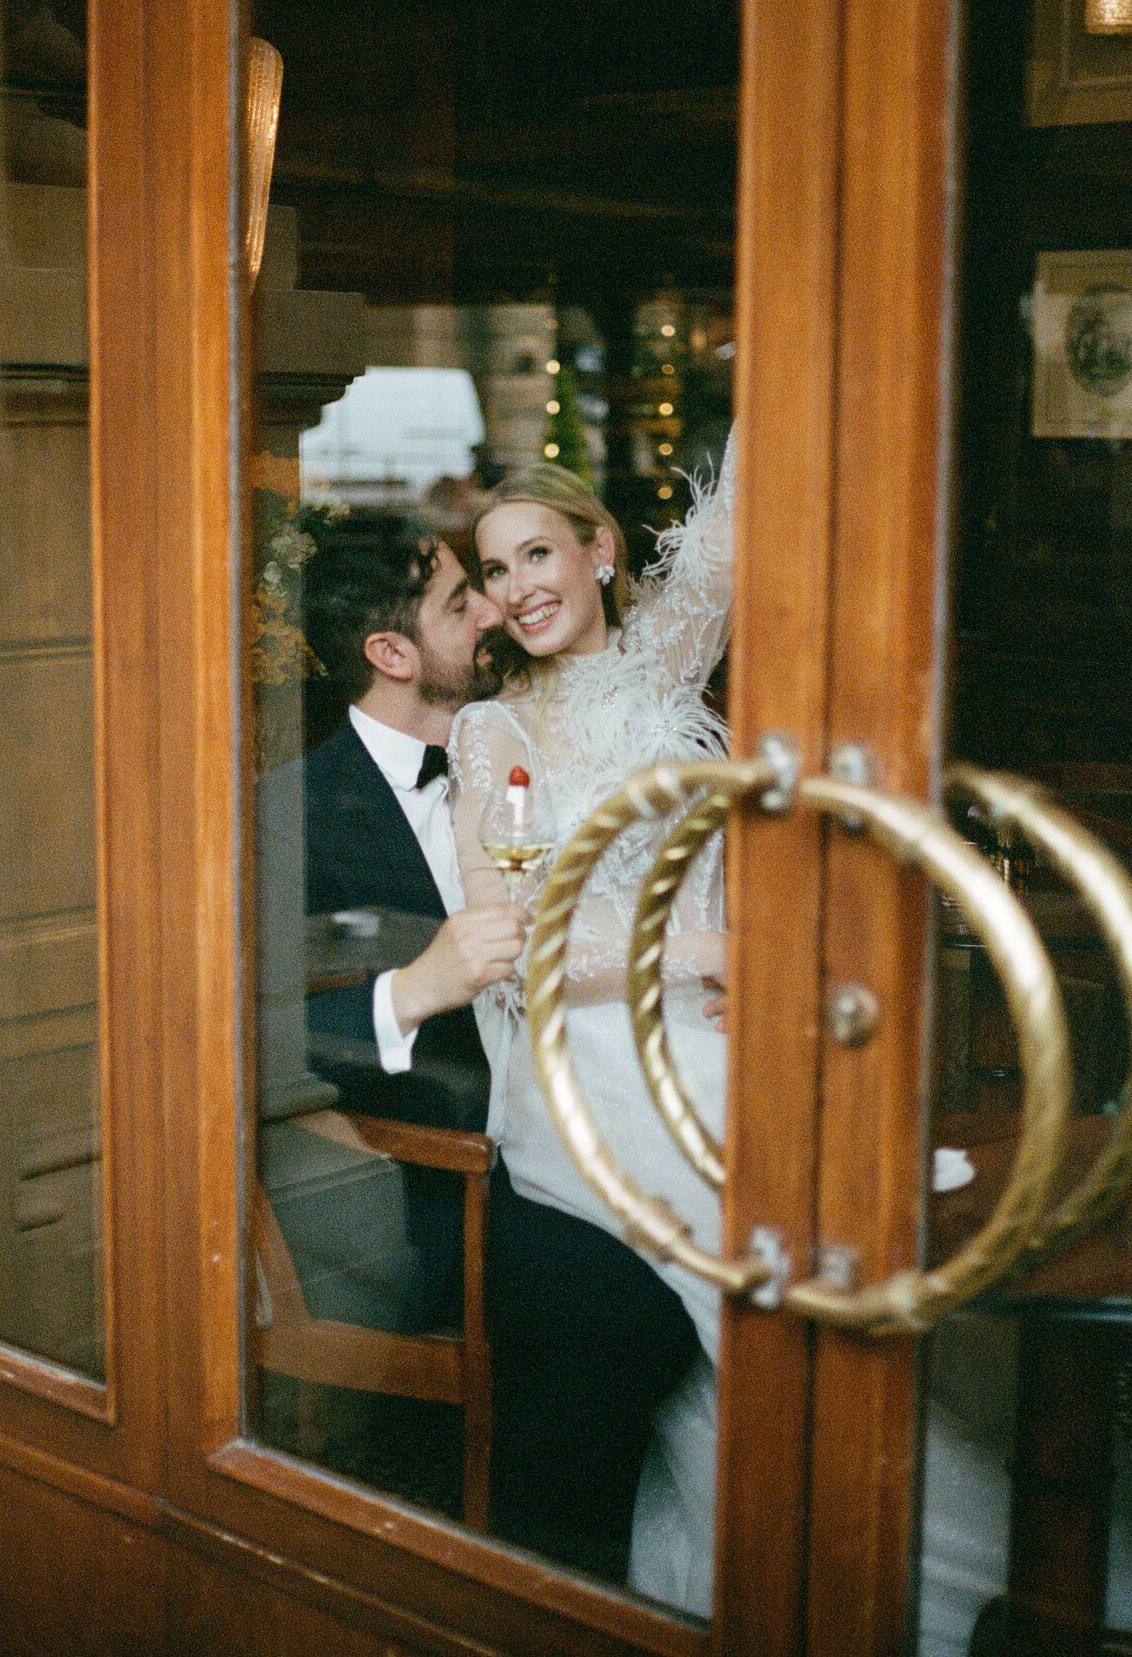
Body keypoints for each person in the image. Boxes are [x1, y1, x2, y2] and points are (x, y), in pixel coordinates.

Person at [267, 507, 699, 1576]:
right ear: (393, 653)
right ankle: (540, 1584)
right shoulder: (294, 810)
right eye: (464, 600)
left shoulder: (528, 724)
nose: (497, 606)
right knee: (628, 1312)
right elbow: (244, 1022)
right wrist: (414, 989)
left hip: (591, 1090)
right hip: (428, 1177)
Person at [450, 437, 736, 1614]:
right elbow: (513, 948)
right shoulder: (494, 735)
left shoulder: (668, 666)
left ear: (601, 550)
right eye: (492, 570)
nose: (518, 586)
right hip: (588, 1065)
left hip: (725, 1031)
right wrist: (710, 950)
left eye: (537, 552)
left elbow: (742, 514)